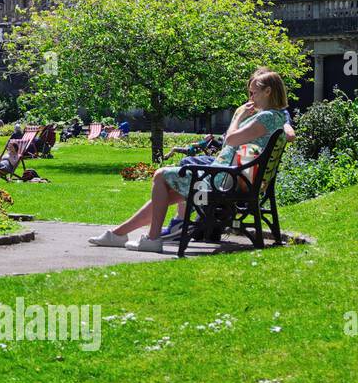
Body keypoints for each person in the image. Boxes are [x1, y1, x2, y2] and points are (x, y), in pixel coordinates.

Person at [89, 69, 290, 253]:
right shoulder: (275, 117)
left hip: (222, 180)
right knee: (168, 193)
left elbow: (230, 139)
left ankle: (152, 238)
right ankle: (119, 233)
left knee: (160, 176)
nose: (250, 97)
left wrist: (239, 116)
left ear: (268, 91)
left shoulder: (266, 118)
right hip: (227, 177)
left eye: (253, 92)